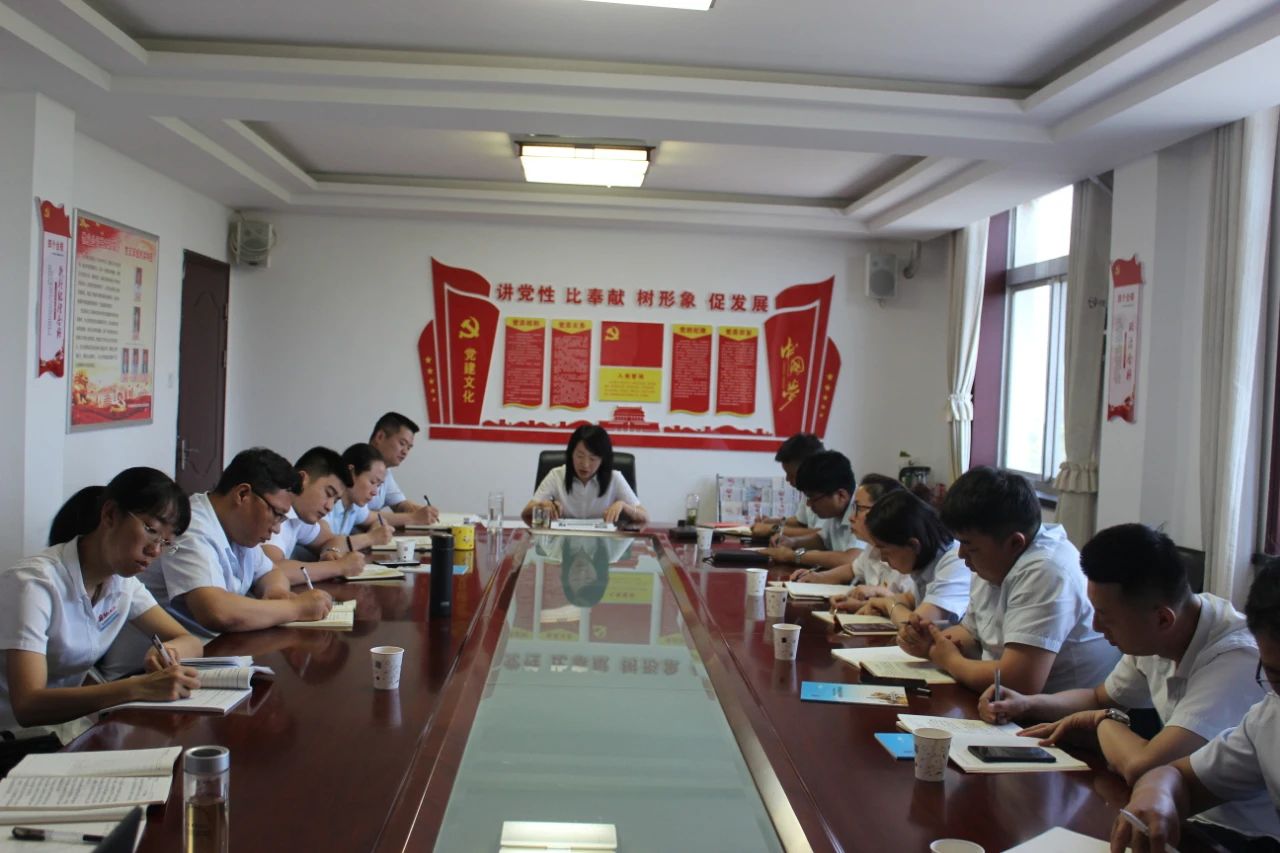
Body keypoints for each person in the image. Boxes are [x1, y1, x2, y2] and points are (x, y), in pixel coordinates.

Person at [980, 524, 1276, 845]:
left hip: (1239, 835)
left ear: (1163, 619)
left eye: (1106, 616)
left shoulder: (1240, 659)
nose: (1096, 626)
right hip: (1179, 817)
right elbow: (1099, 698)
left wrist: (1103, 722)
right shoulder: (1164, 628)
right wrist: (1025, 703)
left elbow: (1147, 764)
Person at [0, 468, 203, 770]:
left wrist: (168, 652)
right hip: (12, 743)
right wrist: (138, 687)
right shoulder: (33, 583)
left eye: (166, 543)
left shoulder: (122, 584)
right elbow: (28, 705)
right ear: (110, 515)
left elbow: (190, 641)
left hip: (60, 733)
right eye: (151, 530)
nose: (155, 550)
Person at [899, 466, 1118, 695]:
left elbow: (1020, 682)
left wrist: (946, 659)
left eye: (969, 546)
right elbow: (972, 637)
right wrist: (931, 640)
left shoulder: (1047, 570)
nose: (961, 554)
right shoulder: (992, 561)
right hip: (1005, 705)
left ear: (1015, 543)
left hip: (1060, 712)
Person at [1112, 558, 1280, 853]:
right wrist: (1157, 791)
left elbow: (1146, 763)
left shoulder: (1233, 656)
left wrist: (1102, 721)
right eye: (1275, 674)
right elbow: (1179, 777)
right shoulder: (1270, 716)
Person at [139, 448, 334, 634]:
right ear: (242, 494)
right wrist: (296, 608)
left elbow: (271, 572)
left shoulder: (239, 529)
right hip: (164, 654)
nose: (277, 528)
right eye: (276, 514)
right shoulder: (191, 527)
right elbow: (216, 612)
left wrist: (276, 592)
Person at [851, 489, 970, 629]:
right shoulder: (926, 561)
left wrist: (889, 604)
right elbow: (910, 599)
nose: (882, 559)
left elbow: (917, 626)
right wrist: (872, 603)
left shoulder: (955, 562)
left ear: (913, 545)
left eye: (884, 550)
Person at [262, 446, 366, 585]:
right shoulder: (274, 512)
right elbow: (271, 570)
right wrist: (338, 567)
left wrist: (330, 551)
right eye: (328, 494)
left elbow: (334, 539)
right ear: (302, 479)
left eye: (335, 501)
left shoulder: (299, 515)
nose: (330, 507)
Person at [794, 473, 903, 592]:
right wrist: (818, 577)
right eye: (853, 508)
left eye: (859, 509)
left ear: (883, 511)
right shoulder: (872, 548)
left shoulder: (905, 559)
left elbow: (907, 601)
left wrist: (794, 555)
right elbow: (853, 569)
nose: (851, 517)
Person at [759, 450, 864, 570]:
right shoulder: (837, 509)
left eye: (813, 498)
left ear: (841, 495)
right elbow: (823, 540)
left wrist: (792, 556)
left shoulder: (863, 510)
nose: (808, 504)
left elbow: (851, 559)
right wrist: (793, 542)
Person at [523, 425, 648, 525]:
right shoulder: (556, 475)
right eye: (580, 456)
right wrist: (541, 505)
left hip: (602, 544)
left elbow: (644, 516)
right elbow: (525, 513)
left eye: (593, 458)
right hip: (564, 543)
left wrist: (624, 506)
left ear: (603, 459)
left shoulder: (614, 478)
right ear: (571, 454)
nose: (585, 464)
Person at [363, 412, 438, 527]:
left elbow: (399, 504)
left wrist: (423, 512)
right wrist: (414, 517)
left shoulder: (385, 471)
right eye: (402, 443)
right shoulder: (358, 465)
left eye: (409, 447)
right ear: (380, 437)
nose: (405, 452)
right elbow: (362, 516)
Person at [749, 433, 824, 539]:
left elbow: (822, 535)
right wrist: (772, 522)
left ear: (810, 470)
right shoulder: (808, 488)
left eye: (792, 475)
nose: (787, 479)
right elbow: (801, 521)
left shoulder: (829, 492)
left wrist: (773, 528)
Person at [324, 444, 396, 553]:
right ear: (351, 472)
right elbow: (329, 546)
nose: (375, 492)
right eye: (372, 482)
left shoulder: (355, 504)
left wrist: (377, 529)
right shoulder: (325, 503)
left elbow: (378, 519)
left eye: (378, 485)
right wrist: (371, 538)